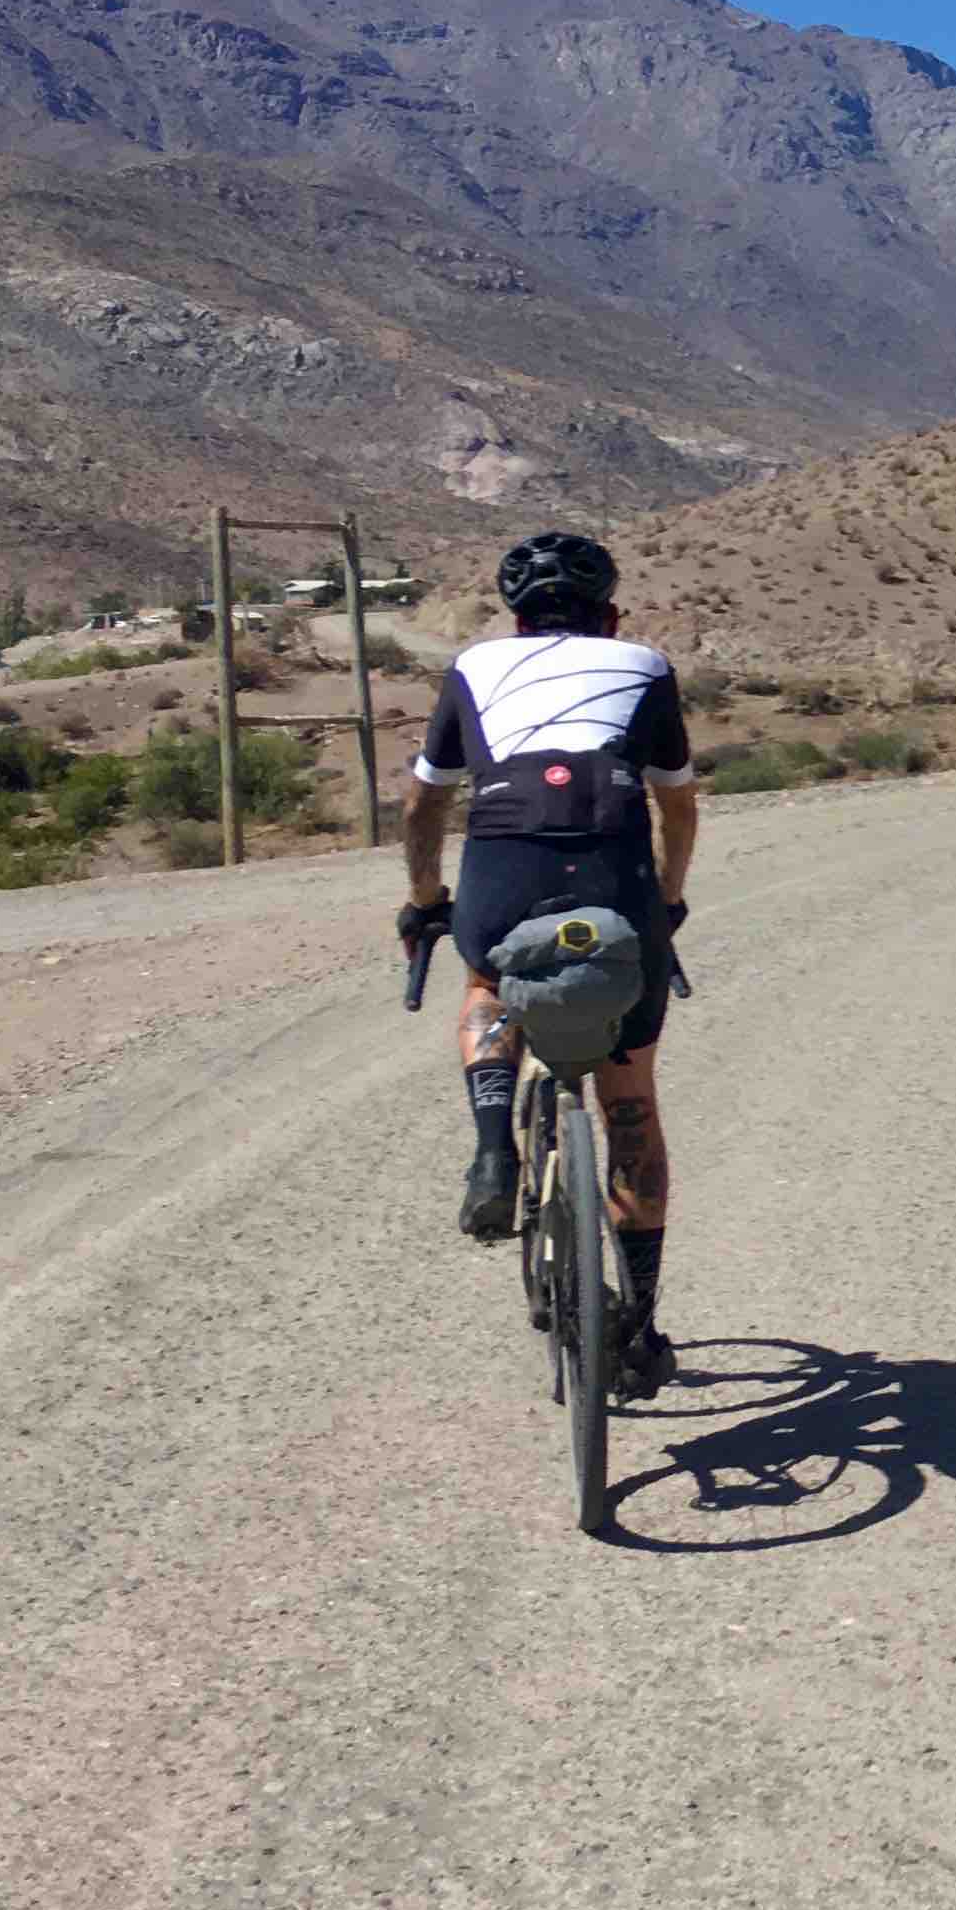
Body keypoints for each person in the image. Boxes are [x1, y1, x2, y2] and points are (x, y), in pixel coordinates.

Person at [396, 530, 701, 1402]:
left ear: (517, 616)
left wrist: (426, 899)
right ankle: (637, 1327)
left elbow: (424, 801)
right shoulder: (642, 665)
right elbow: (676, 803)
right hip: (617, 874)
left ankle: (494, 1152)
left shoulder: (474, 668)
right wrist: (670, 900)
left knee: (488, 981)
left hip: (502, 869)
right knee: (630, 1097)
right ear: (610, 615)